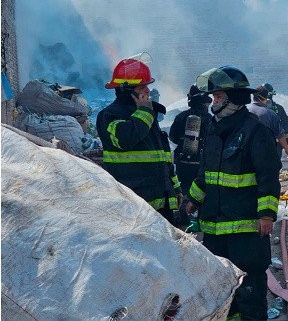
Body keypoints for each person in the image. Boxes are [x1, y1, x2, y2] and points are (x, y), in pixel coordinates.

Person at [186, 66, 281, 320]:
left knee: (249, 292)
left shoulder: (255, 131)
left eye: (218, 97)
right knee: (222, 291)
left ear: (234, 98)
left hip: (246, 230)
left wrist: (267, 214)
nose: (213, 102)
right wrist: (193, 199)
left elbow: (268, 176)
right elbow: (205, 173)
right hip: (215, 229)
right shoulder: (214, 130)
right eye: (213, 97)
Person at [95, 54, 181, 224]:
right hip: (134, 205)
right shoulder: (110, 115)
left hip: (162, 201)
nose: (148, 91)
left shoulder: (147, 115)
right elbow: (125, 138)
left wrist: (174, 188)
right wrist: (144, 112)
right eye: (142, 87)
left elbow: (163, 156)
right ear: (126, 90)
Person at [168, 85, 212, 228]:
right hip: (202, 164)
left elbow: (173, 138)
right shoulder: (211, 120)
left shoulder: (181, 117)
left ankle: (185, 222)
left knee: (185, 192)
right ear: (205, 101)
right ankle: (201, 222)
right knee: (204, 193)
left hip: (183, 163)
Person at [247, 86, 288, 158]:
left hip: (249, 148)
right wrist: (286, 148)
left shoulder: (245, 110)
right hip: (270, 148)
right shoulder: (272, 113)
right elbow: (282, 132)